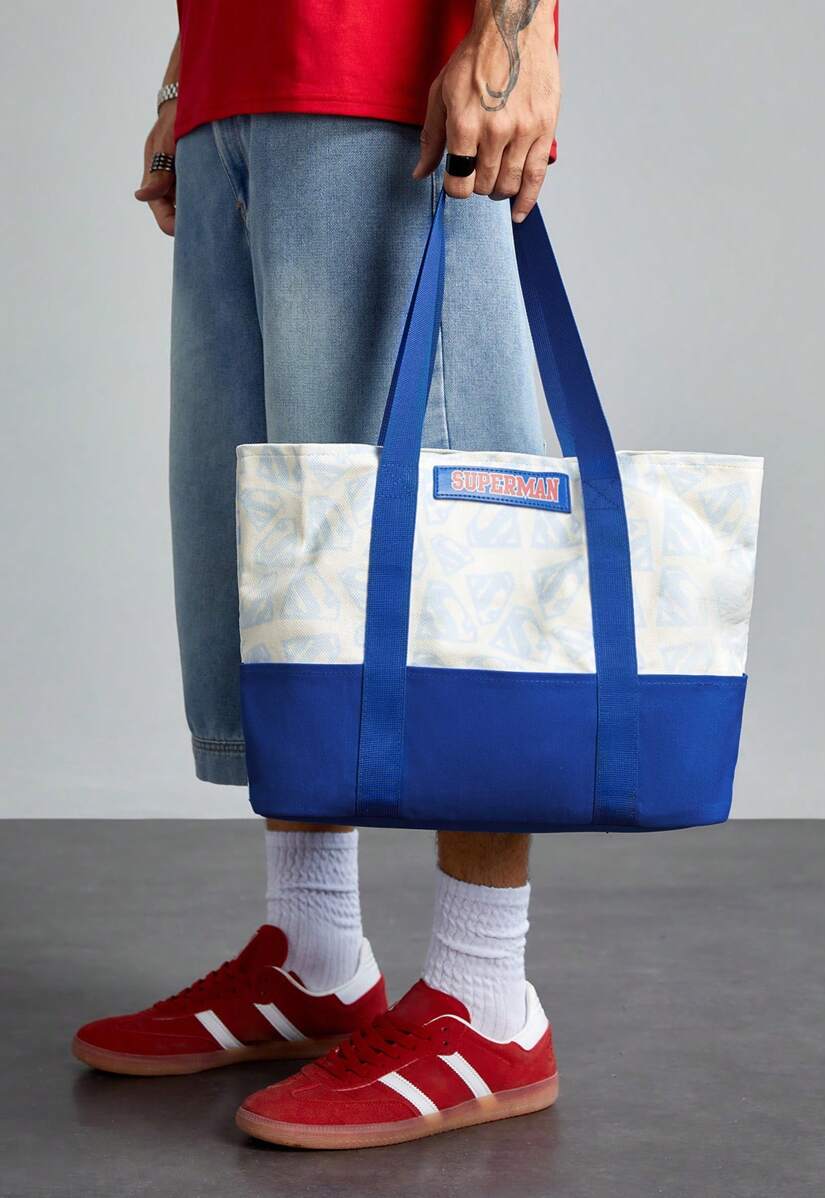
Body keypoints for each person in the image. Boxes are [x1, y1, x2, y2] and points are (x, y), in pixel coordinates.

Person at [73, 0, 562, 1149]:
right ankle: (314, 953)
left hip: (383, 70)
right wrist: (186, 75)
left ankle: (489, 995)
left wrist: (514, 34)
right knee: (278, 532)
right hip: (234, 92)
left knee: (448, 539)